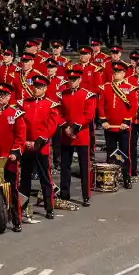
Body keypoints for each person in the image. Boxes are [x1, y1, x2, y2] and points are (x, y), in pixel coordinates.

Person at [0, 81, 26, 232]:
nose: (0, 98)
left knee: (11, 190)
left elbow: (20, 137)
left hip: (8, 160)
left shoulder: (16, 114)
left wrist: (15, 152)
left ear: (9, 96)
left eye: (4, 95)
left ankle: (16, 219)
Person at [20, 73, 59, 218]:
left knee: (45, 178)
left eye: (40, 87)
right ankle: (23, 206)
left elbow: (51, 126)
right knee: (25, 178)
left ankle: (49, 208)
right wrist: (25, 141)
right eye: (35, 86)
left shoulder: (51, 104)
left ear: (45, 88)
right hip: (27, 145)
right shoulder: (25, 103)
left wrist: (38, 141)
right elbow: (21, 124)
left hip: (41, 146)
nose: (37, 89)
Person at [57, 66, 95, 205]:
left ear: (80, 80)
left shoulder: (87, 95)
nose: (71, 81)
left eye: (74, 79)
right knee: (65, 166)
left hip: (81, 135)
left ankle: (86, 195)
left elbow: (89, 116)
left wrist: (74, 128)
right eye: (70, 79)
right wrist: (65, 127)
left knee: (84, 167)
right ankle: (64, 193)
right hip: (66, 135)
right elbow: (58, 114)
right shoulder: (62, 94)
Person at [100, 63, 139, 186]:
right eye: (114, 71)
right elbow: (100, 106)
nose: (116, 73)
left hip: (123, 127)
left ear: (123, 74)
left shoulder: (129, 88)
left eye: (118, 71)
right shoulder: (105, 88)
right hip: (109, 126)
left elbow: (133, 107)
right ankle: (110, 177)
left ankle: (126, 177)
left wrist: (126, 121)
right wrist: (103, 120)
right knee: (110, 153)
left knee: (124, 153)